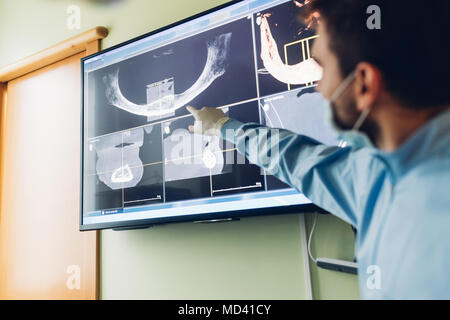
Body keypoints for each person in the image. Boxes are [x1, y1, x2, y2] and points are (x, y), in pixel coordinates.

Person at [186, 0, 450, 299]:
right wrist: (224, 126)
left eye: (322, 68)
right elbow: (300, 160)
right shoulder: (380, 176)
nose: (320, 87)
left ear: (363, 84)